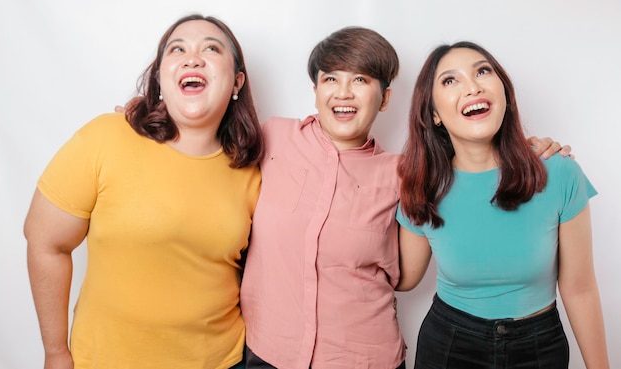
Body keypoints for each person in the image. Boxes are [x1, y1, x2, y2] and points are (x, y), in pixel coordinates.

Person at [238, 29, 570, 369]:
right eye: (331, 79)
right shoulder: (272, 137)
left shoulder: (406, 175)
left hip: (363, 357)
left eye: (361, 80)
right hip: (270, 351)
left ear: (384, 99)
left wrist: (524, 151)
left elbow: (411, 271)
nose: (343, 92)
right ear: (316, 91)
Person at [24, 14, 264, 369]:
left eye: (211, 49)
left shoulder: (255, 171)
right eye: (177, 49)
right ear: (159, 78)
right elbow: (46, 242)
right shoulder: (106, 137)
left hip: (222, 361)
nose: (192, 57)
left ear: (236, 82)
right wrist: (56, 351)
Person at [396, 41, 609, 368]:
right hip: (449, 344)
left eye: (483, 71)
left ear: (505, 95)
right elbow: (403, 279)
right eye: (450, 81)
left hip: (539, 347)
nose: (472, 86)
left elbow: (579, 289)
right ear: (434, 114)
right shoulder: (423, 187)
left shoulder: (560, 172)